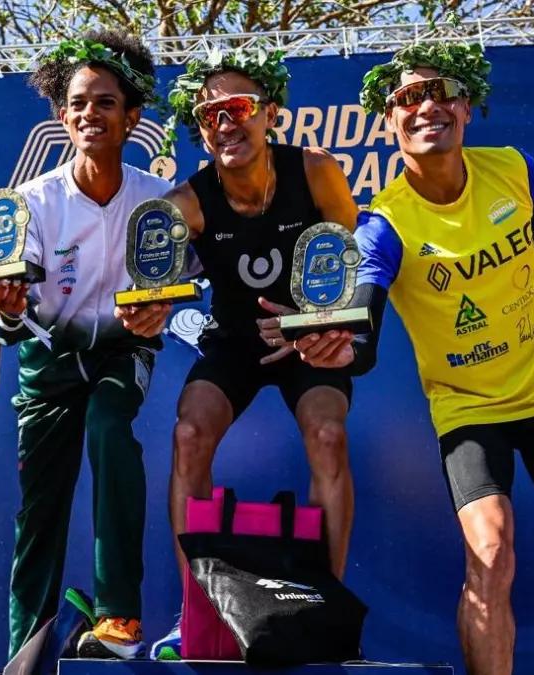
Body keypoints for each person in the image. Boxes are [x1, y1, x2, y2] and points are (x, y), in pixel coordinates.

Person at [270, 45, 534, 675]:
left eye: (440, 91)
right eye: (407, 99)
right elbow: (363, 335)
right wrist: (339, 348)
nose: (426, 106)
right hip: (469, 411)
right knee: (491, 551)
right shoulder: (384, 223)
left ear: (466, 106)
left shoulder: (515, 169)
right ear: (389, 123)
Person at [146, 48, 362, 661]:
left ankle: (328, 610)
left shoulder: (317, 171)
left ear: (271, 114)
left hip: (309, 339)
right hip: (234, 342)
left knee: (327, 435)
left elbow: (353, 270)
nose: (225, 124)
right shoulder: (188, 200)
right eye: (210, 114)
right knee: (189, 434)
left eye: (239, 108)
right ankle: (198, 611)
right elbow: (144, 276)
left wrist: (322, 328)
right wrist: (143, 307)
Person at [0, 31, 175, 661]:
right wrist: (6, 310)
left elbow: (175, 291)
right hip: (48, 356)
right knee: (40, 508)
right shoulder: (33, 201)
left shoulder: (159, 197)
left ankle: (118, 618)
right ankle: (22, 651)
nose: (92, 114)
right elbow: (10, 311)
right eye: (80, 103)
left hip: (121, 352)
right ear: (63, 118)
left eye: (106, 102)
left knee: (112, 430)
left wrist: (160, 309)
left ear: (131, 117)